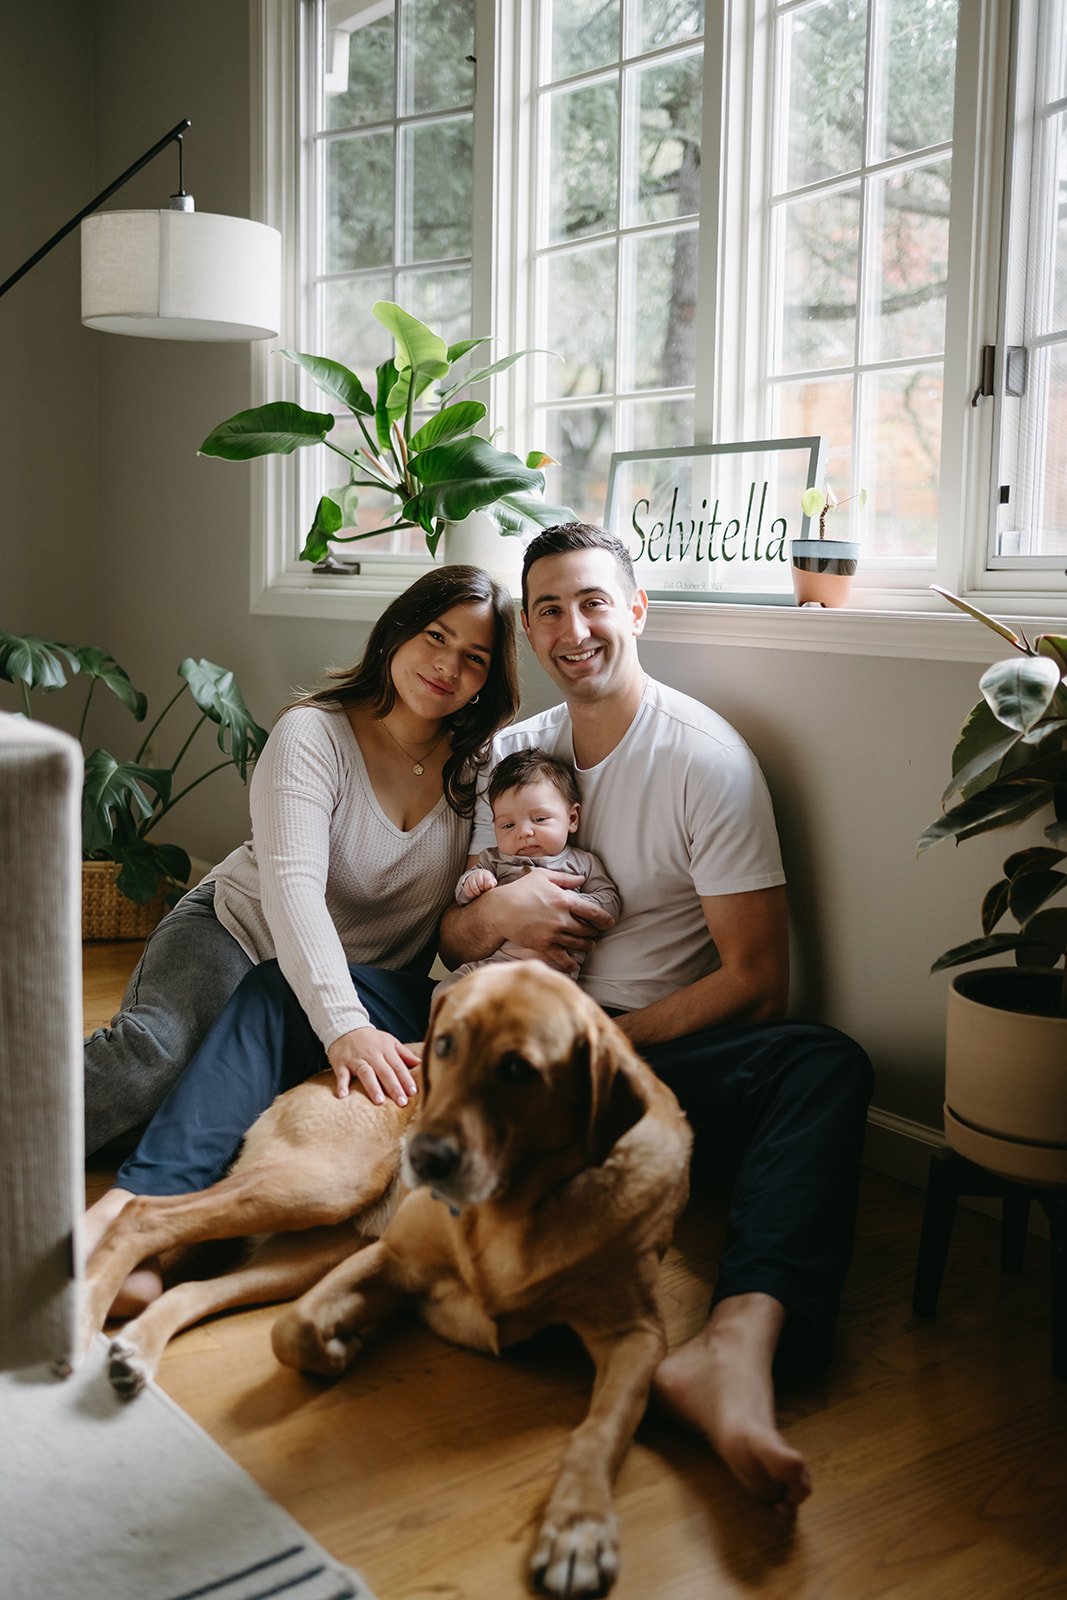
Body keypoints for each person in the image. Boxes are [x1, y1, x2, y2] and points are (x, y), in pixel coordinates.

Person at [436, 523, 874, 1517]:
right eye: (545, 607)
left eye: (591, 600)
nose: (570, 626)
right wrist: (491, 915)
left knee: (823, 1064)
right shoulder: (512, 755)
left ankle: (734, 1343)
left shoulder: (702, 758)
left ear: (635, 610)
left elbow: (759, 983)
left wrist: (602, 1050)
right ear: (528, 632)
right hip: (517, 1046)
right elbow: (455, 933)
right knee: (357, 997)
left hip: (652, 1051)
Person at [84, 564, 520, 1284]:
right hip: (239, 933)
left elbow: (475, 901)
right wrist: (344, 1024)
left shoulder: (478, 768)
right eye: (434, 635)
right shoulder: (312, 733)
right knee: (154, 1064)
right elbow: (292, 891)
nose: (447, 665)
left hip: (342, 988)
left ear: (486, 682)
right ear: (395, 633)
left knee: (220, 1121)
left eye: (473, 657)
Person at [436, 746, 620, 991]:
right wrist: (474, 881)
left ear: (572, 819)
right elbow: (462, 897)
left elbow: (610, 903)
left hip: (549, 977)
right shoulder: (494, 860)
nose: (523, 832)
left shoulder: (581, 864)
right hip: (492, 965)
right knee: (446, 992)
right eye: (508, 825)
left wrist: (571, 903)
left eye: (539, 819)